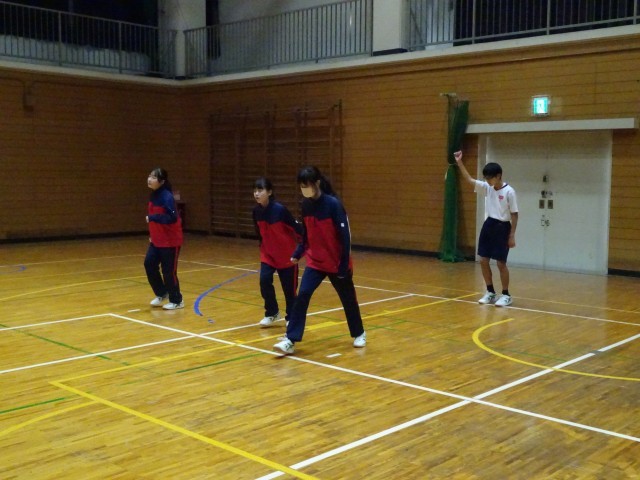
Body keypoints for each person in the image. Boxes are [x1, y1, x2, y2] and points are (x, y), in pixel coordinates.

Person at [273, 166, 366, 355]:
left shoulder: (333, 205)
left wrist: (343, 264)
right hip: (315, 262)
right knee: (303, 295)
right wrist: (299, 252)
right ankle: (290, 340)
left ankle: (359, 333)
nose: (304, 189)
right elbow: (306, 234)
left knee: (348, 298)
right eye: (301, 186)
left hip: (336, 262)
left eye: (306, 185)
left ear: (317, 183)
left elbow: (345, 236)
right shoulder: (306, 205)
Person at [455, 151, 518, 306]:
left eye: (490, 178)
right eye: (486, 178)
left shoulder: (509, 192)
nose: (487, 181)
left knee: (501, 263)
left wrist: (512, 235)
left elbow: (514, 214)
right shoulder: (487, 188)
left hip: (503, 227)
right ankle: (490, 291)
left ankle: (506, 295)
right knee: (483, 260)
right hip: (489, 225)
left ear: (498, 176)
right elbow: (469, 179)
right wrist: (459, 162)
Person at [252, 177, 303, 327]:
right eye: (255, 190)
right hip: (268, 254)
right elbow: (258, 232)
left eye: (260, 190)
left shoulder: (280, 210)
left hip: (287, 256)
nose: (256, 193)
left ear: (269, 192)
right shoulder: (256, 211)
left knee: (289, 290)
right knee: (264, 281)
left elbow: (297, 229)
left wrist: (300, 250)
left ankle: (291, 317)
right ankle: (272, 312)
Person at [145, 167, 184, 310]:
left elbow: (172, 216)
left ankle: (177, 300)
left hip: (170, 241)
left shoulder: (167, 197)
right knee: (149, 264)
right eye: (150, 176)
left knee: (168, 271)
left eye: (154, 177)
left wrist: (153, 218)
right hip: (157, 240)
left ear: (161, 181)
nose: (150, 179)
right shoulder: (153, 195)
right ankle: (162, 293)